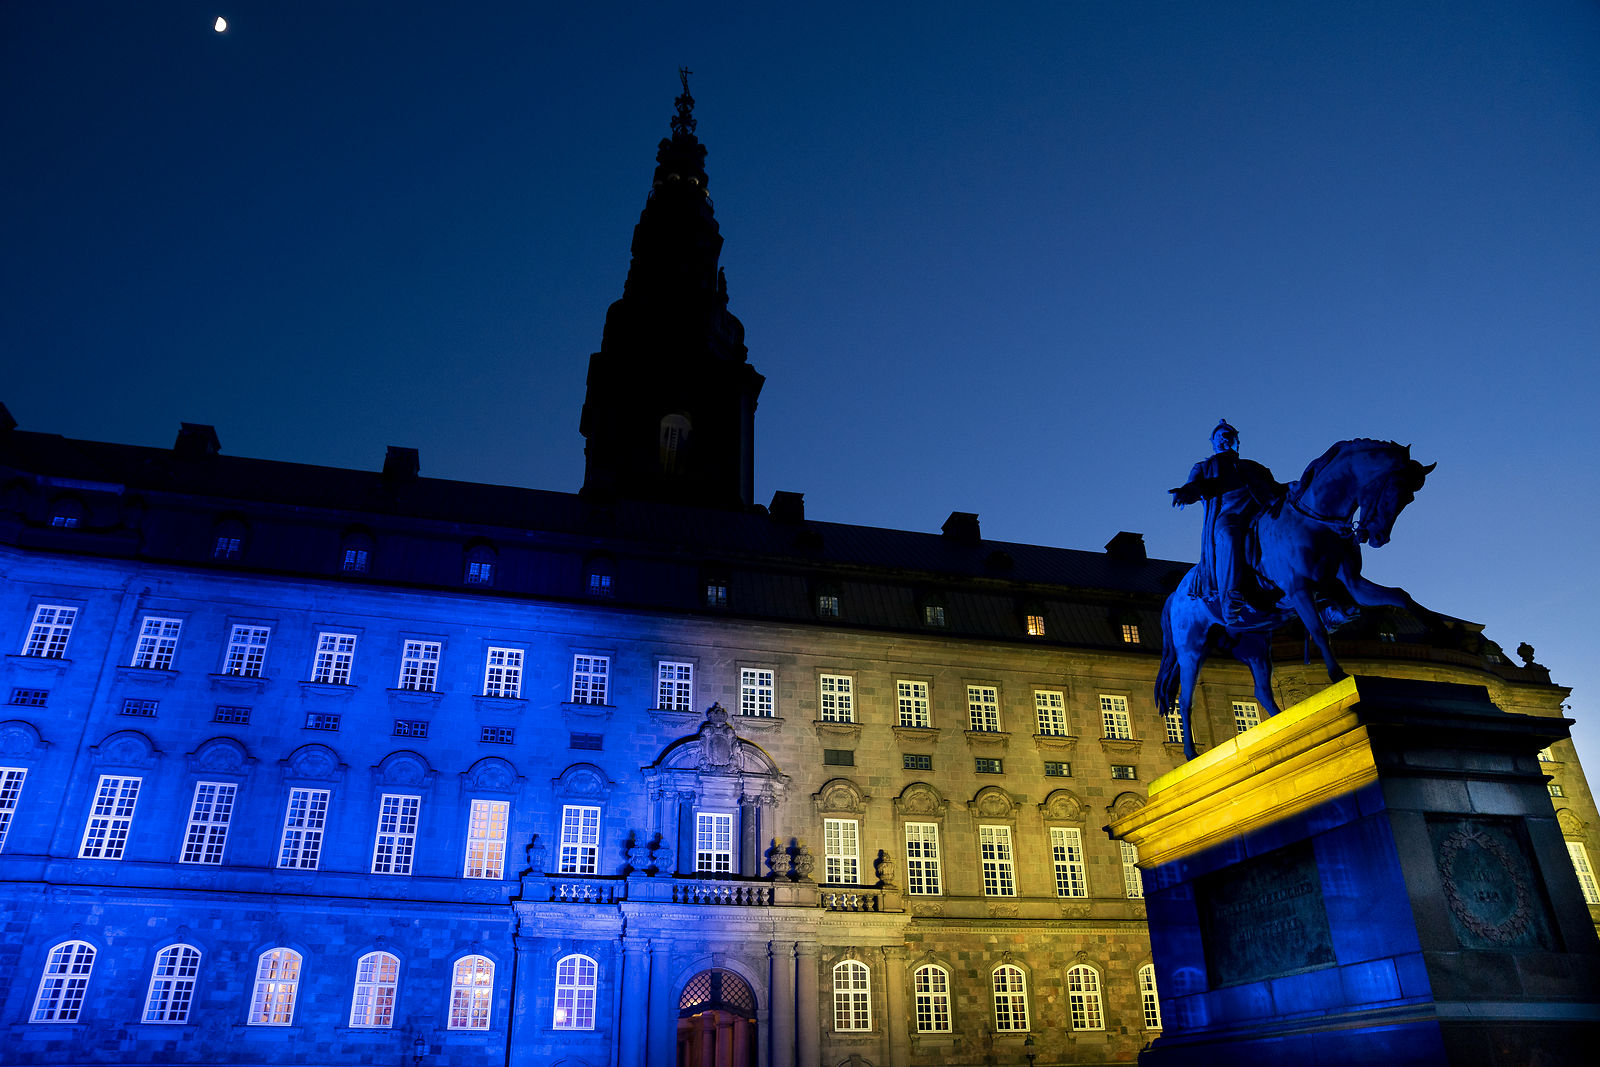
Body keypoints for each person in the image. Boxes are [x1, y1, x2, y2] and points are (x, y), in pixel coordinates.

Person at [1171, 420, 1282, 624]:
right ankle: (1230, 597)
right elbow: (1195, 486)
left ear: (1237, 442)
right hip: (1229, 516)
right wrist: (1186, 492)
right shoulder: (1204, 467)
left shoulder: (1255, 467)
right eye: (1219, 436)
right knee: (1229, 537)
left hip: (1261, 514)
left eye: (1228, 435)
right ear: (1213, 443)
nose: (1224, 439)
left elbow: (1276, 488)